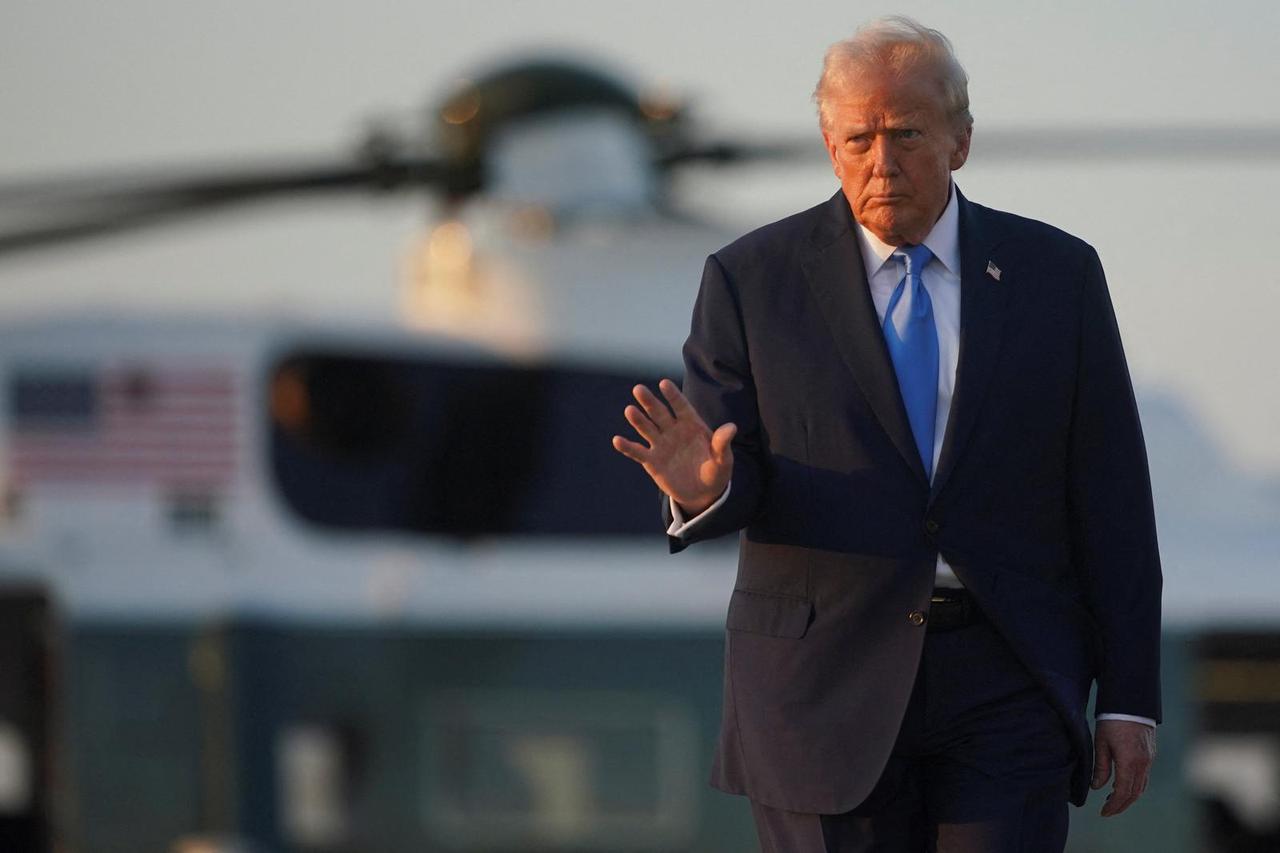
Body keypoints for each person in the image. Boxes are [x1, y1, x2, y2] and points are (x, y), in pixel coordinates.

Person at [611, 15, 1161, 853]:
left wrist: (1128, 697)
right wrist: (705, 491)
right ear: (830, 146)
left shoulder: (1058, 275)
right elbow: (733, 469)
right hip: (820, 688)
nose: (882, 160)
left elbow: (1112, 497)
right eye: (858, 138)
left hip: (1007, 674)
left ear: (961, 140)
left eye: (906, 133)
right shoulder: (750, 280)